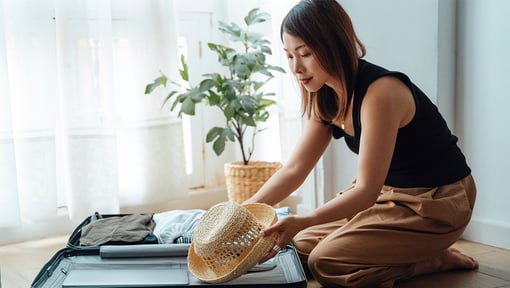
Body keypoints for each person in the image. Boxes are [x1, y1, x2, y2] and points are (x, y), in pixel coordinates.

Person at [243, 0, 478, 287]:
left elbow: (366, 189)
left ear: (334, 45)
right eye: (289, 55)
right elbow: (293, 170)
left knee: (325, 261)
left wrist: (305, 219)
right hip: (388, 197)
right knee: (300, 247)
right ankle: (404, 251)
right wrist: (244, 211)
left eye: (304, 53)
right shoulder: (324, 96)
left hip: (435, 201)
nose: (296, 67)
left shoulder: (381, 92)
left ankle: (428, 261)